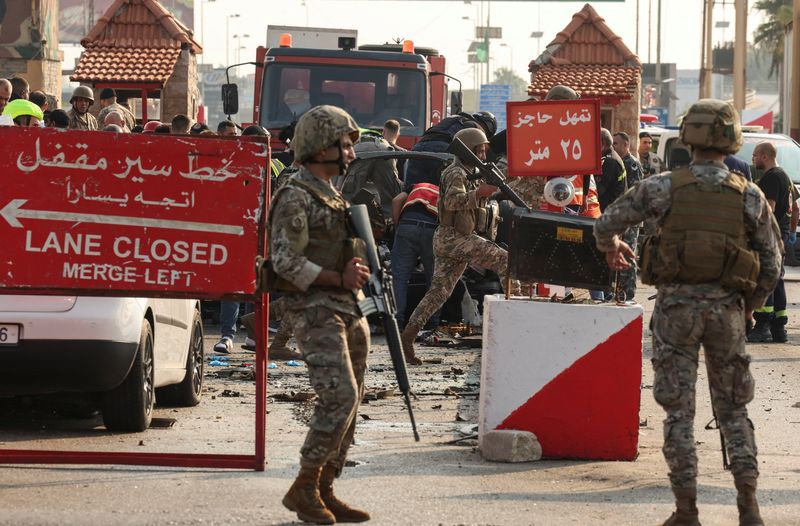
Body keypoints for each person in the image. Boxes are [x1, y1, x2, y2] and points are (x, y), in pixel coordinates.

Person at [594, 99, 781, 526]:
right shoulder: (748, 194)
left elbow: (606, 224)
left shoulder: (661, 186)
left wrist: (613, 248)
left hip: (676, 311)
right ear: (731, 138)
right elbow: (771, 264)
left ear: (688, 136)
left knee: (680, 413)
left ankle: (686, 511)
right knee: (734, 411)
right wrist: (747, 309)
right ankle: (749, 509)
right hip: (726, 312)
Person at [269, 105, 371, 524]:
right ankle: (304, 486)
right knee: (339, 396)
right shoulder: (295, 194)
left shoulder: (333, 195)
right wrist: (336, 277)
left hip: (348, 307)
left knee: (353, 400)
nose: (350, 151)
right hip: (313, 309)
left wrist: (358, 272)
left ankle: (326, 487)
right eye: (343, 143)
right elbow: (283, 260)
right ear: (319, 147)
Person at [400, 127, 510, 365]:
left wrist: (489, 191)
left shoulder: (472, 172)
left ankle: (407, 337)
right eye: (478, 150)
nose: (482, 155)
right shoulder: (456, 173)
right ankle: (515, 322)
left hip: (451, 238)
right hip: (454, 238)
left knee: (438, 292)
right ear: (468, 150)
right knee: (505, 260)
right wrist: (479, 193)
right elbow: (450, 202)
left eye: (484, 150)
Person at [748, 141, 796, 343]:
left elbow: (768, 208)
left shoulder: (771, 178)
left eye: (755, 156)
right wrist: (791, 233)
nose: (753, 159)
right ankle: (778, 327)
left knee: (766, 279)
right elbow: (796, 208)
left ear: (765, 156)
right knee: (777, 280)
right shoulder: (785, 177)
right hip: (781, 234)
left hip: (769, 235)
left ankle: (762, 325)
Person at [613, 131, 644, 302]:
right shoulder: (618, 162)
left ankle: (629, 292)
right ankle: (620, 292)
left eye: (616, 144)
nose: (614, 147)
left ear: (626, 145)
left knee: (628, 254)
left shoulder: (632, 164)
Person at [597, 128, 627, 212]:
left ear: (602, 143)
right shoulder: (612, 156)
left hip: (610, 212)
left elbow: (598, 190)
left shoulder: (609, 161)